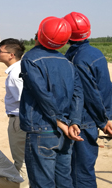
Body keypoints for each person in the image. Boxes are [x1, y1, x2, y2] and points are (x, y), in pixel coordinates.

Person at [19, 16, 84, 188]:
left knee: (42, 183)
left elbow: (41, 94)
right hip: (67, 132)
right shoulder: (67, 62)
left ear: (39, 35)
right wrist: (74, 122)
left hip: (43, 129)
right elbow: (78, 94)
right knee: (64, 181)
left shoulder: (30, 59)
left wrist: (59, 121)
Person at [63, 12, 112, 188]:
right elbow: (108, 88)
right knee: (82, 169)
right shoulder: (94, 52)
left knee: (80, 172)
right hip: (90, 119)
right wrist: (107, 115)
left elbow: (90, 93)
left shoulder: (77, 59)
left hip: (83, 122)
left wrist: (103, 121)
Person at [0, 38, 28, 186]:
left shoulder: (15, 76)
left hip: (19, 120)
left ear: (11, 55)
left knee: (21, 161)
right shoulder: (22, 68)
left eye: (0, 51)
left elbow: (25, 101)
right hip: (22, 119)